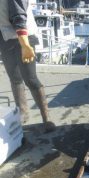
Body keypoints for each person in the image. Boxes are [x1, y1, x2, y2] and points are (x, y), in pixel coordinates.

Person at [0, 0, 55, 132]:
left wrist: (25, 44)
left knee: (30, 78)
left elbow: (19, 15)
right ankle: (23, 112)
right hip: (5, 39)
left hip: (25, 38)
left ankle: (46, 117)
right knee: (14, 78)